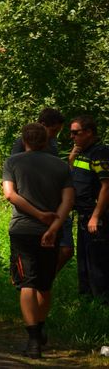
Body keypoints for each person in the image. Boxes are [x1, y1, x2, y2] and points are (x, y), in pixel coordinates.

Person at [2, 122, 74, 359]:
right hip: (50, 233)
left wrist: (37, 215)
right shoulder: (62, 166)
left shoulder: (13, 162)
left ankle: (33, 340)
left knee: (27, 283)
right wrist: (53, 226)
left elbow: (10, 194)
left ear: (24, 141)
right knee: (45, 283)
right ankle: (40, 331)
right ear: (46, 141)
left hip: (23, 230)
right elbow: (67, 201)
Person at [10, 108, 75, 273]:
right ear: (42, 125)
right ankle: (36, 280)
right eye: (53, 131)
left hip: (56, 205)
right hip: (31, 210)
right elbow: (15, 183)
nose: (54, 135)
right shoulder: (20, 145)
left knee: (66, 250)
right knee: (33, 258)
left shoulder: (52, 143)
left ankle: (45, 279)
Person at [68, 115, 109, 302]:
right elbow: (75, 179)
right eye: (71, 133)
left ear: (89, 132)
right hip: (83, 216)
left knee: (97, 264)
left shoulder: (99, 153)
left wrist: (96, 216)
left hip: (97, 219)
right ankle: (86, 301)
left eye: (76, 133)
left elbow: (106, 187)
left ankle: (101, 303)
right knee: (84, 263)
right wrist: (72, 159)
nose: (72, 137)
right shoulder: (81, 153)